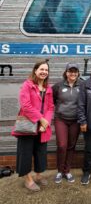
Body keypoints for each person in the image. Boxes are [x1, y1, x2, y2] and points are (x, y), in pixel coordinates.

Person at [12, 60, 54, 191]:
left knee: (40, 152)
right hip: (28, 125)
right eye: (41, 69)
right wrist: (41, 119)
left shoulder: (48, 88)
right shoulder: (27, 85)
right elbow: (26, 106)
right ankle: (27, 179)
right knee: (25, 153)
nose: (44, 72)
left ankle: (38, 175)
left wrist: (45, 122)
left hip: (42, 127)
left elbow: (51, 107)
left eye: (46, 70)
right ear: (35, 70)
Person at [52, 63, 83, 184]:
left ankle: (67, 171)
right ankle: (60, 171)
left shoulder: (83, 85)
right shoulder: (58, 86)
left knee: (71, 145)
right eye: (70, 71)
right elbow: (52, 100)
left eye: (75, 71)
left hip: (75, 120)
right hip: (61, 119)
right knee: (62, 145)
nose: (73, 73)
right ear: (66, 72)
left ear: (78, 73)